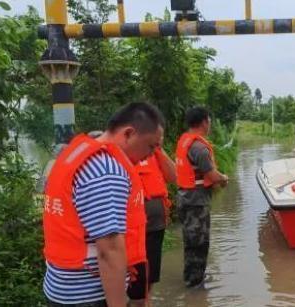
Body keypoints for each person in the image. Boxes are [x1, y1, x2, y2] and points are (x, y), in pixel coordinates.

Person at [42, 102, 164, 307]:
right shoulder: (107, 171)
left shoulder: (75, 153)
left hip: (60, 288)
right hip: (88, 296)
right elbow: (109, 251)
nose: (151, 155)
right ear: (129, 134)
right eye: (151, 146)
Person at [175, 107, 229, 288]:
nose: (210, 124)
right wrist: (224, 179)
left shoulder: (184, 142)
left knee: (190, 241)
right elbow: (212, 176)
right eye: (209, 120)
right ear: (204, 122)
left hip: (185, 198)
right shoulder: (199, 148)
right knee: (199, 243)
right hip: (196, 203)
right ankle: (196, 285)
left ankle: (191, 278)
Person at [127, 143, 176, 306]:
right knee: (136, 283)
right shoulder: (122, 152)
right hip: (133, 230)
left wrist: (159, 149)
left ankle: (145, 302)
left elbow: (175, 176)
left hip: (156, 226)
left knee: (151, 276)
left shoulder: (154, 152)